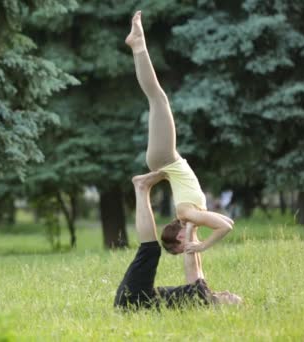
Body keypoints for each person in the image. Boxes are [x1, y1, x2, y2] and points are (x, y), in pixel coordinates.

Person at [125, 10, 234, 255]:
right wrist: (199, 242)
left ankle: (138, 44)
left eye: (182, 243)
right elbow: (229, 223)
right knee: (157, 99)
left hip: (164, 158)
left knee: (158, 99)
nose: (188, 241)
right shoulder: (194, 216)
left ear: (178, 236)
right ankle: (137, 44)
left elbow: (225, 227)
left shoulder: (187, 213)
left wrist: (200, 244)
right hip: (164, 159)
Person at [114, 171, 242, 309]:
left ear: (223, 307)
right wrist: (195, 222)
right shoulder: (203, 293)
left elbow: (191, 261)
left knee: (150, 250)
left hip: (133, 301)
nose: (228, 292)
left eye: (231, 298)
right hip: (138, 298)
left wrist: (190, 228)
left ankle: (141, 189)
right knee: (150, 250)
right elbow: (197, 262)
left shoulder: (202, 299)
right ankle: (143, 188)